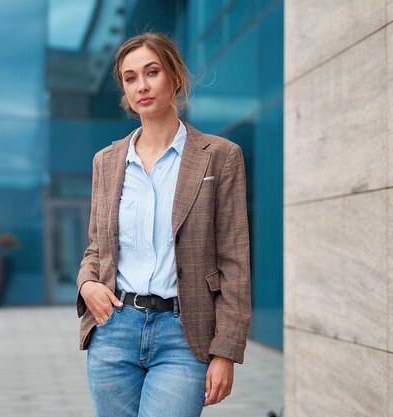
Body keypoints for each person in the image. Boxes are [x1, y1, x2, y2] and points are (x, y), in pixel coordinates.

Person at [75, 32, 252, 417]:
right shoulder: (106, 162)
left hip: (184, 335)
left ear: (174, 76)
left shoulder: (220, 157)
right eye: (130, 77)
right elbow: (96, 246)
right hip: (114, 329)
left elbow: (234, 260)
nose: (142, 85)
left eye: (152, 72)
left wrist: (225, 351)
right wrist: (87, 283)